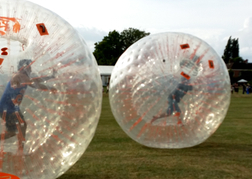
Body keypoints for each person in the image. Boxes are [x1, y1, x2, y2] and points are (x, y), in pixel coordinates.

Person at [0, 59, 57, 154]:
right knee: (22, 125)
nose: (31, 69)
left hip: (10, 108)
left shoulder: (24, 78)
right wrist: (50, 88)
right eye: (29, 67)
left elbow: (36, 80)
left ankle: (20, 150)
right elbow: (36, 84)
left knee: (12, 132)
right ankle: (20, 151)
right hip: (8, 108)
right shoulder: (19, 76)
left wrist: (51, 76)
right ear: (24, 68)